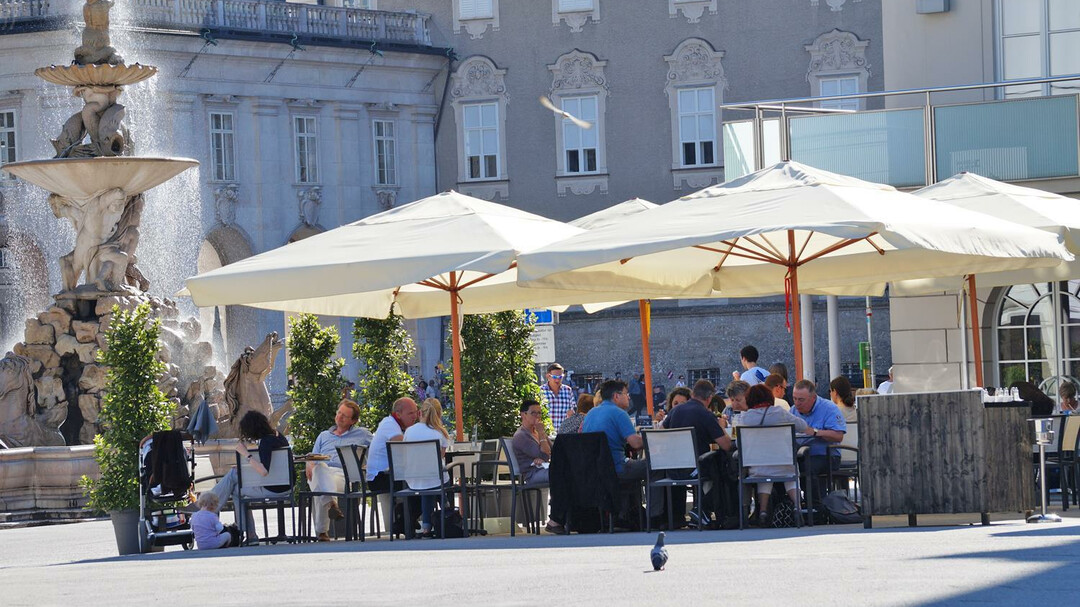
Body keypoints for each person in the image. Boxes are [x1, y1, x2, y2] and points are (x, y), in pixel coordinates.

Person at [580, 379, 661, 525]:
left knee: (635, 465)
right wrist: (654, 437)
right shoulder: (619, 413)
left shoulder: (591, 413)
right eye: (626, 393)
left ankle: (626, 513)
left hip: (596, 471)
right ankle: (654, 517)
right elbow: (635, 443)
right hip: (617, 468)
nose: (629, 397)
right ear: (616, 396)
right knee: (656, 466)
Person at [203, 410, 290, 544]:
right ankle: (249, 534)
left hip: (273, 489)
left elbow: (264, 471)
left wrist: (246, 454)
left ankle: (207, 507)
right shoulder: (279, 437)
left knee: (235, 484)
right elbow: (271, 468)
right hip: (286, 485)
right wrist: (244, 468)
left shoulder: (266, 442)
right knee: (236, 482)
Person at [661, 380, 735, 528]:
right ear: (709, 398)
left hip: (672, 468)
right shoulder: (705, 414)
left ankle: (701, 512)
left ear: (693, 394)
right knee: (726, 470)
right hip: (695, 469)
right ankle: (703, 509)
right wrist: (721, 426)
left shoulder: (675, 411)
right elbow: (726, 445)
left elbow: (660, 434)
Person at [733, 384, 809, 527]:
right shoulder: (780, 413)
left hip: (758, 468)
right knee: (792, 472)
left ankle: (762, 511)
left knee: (764, 469)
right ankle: (797, 506)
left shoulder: (745, 417)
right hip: (784, 465)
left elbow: (739, 443)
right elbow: (802, 426)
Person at [306, 399, 372, 542]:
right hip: (320, 472)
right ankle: (332, 505)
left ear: (353, 421)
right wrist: (308, 464)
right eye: (339, 412)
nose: (339, 417)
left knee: (320, 488)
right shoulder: (324, 435)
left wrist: (369, 465)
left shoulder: (362, 434)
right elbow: (313, 457)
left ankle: (322, 532)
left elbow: (377, 450)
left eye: (344, 416)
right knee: (321, 468)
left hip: (344, 475)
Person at [790, 380, 847, 503]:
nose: (797, 403)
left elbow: (838, 436)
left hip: (825, 455)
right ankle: (791, 504)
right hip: (800, 454)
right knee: (781, 468)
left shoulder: (829, 408)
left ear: (813, 398)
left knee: (808, 467)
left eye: (801, 400)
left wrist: (815, 432)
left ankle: (816, 505)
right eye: (794, 399)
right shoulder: (793, 411)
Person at [403, 398, 451, 538]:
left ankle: (426, 528)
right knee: (438, 480)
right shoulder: (439, 433)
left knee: (427, 486)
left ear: (420, 413)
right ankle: (447, 512)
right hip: (435, 479)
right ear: (439, 414)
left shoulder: (409, 431)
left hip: (413, 480)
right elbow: (441, 456)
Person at [367, 397, 420, 491]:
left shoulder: (392, 423)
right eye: (410, 413)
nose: (415, 416)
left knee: (422, 480)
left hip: (386, 475)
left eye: (416, 412)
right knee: (423, 481)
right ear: (398, 414)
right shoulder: (390, 425)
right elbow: (404, 450)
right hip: (380, 478)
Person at [512, 400, 552, 485]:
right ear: (523, 415)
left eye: (539, 413)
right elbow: (544, 455)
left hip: (545, 469)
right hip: (533, 474)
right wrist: (541, 432)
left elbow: (553, 450)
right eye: (533, 413)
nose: (537, 416)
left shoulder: (537, 432)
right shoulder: (521, 436)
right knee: (562, 472)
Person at [540, 363, 576, 431]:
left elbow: (572, 413)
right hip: (546, 433)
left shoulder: (568, 390)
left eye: (560, 377)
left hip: (563, 433)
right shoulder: (541, 391)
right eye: (554, 377)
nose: (557, 380)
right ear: (548, 376)